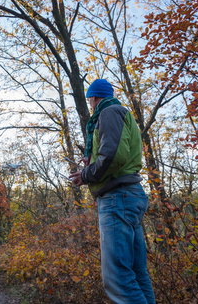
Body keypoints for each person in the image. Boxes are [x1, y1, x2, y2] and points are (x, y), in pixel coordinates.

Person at [69, 78, 156, 304]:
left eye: (90, 100)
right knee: (136, 275)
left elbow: (115, 155)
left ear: (95, 97)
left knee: (117, 278)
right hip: (129, 196)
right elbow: (118, 152)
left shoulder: (108, 112)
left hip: (117, 198)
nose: (90, 104)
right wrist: (93, 161)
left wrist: (86, 175)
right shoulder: (122, 114)